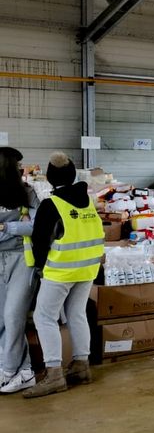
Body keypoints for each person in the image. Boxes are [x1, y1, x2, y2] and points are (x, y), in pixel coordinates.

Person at [23, 153, 103, 398]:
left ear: (49, 178)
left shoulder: (52, 204)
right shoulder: (88, 201)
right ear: (73, 175)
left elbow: (39, 241)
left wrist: (40, 267)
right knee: (76, 314)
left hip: (60, 270)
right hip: (88, 269)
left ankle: (54, 374)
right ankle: (81, 366)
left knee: (44, 317)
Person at [0, 147, 39, 394]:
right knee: (1, 319)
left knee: (13, 317)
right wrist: (18, 225)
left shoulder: (27, 192)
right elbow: (27, 225)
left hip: (22, 259)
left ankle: (9, 370)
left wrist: (6, 227)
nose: (20, 170)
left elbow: (37, 225)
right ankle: (22, 371)